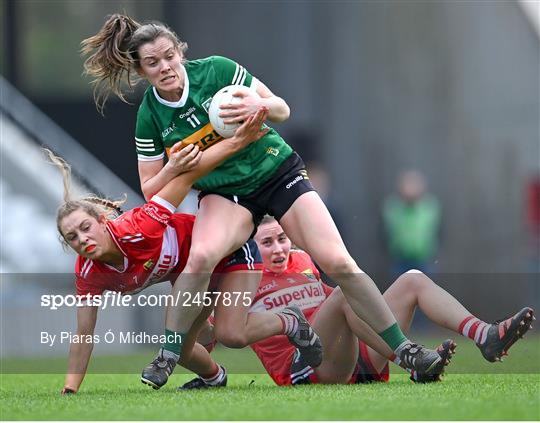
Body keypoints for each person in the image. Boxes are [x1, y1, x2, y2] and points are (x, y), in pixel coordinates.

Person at [82, 14, 449, 388]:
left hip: (277, 173)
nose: (165, 67)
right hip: (227, 194)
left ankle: (405, 350)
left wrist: (257, 108)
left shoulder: (217, 70)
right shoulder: (150, 115)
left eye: (169, 55)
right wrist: (174, 166)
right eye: (153, 62)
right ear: (141, 70)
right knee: (202, 256)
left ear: (181, 52)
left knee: (338, 260)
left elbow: (281, 109)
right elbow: (150, 190)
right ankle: (169, 354)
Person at [51, 110, 321, 394]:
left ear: (103, 222)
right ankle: (214, 378)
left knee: (231, 335)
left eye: (85, 227)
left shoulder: (139, 227)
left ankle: (290, 321)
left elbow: (184, 180)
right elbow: (84, 333)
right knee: (184, 349)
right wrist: (70, 389)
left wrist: (234, 143)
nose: (82, 238)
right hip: (193, 278)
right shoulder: (88, 272)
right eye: (72, 237)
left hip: (228, 251)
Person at [179, 216, 535, 388]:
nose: (278, 249)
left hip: (352, 355)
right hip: (308, 370)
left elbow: (347, 316)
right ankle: (412, 360)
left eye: (282, 239)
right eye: (266, 243)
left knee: (412, 279)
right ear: (251, 246)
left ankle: (484, 334)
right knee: (342, 292)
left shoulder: (303, 260)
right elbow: (212, 335)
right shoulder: (239, 277)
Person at [383, 170, 441, 276]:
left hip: (424, 259)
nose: (411, 189)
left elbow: (439, 231)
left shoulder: (429, 206)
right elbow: (385, 232)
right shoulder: (393, 207)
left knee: (426, 289)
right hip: (400, 259)